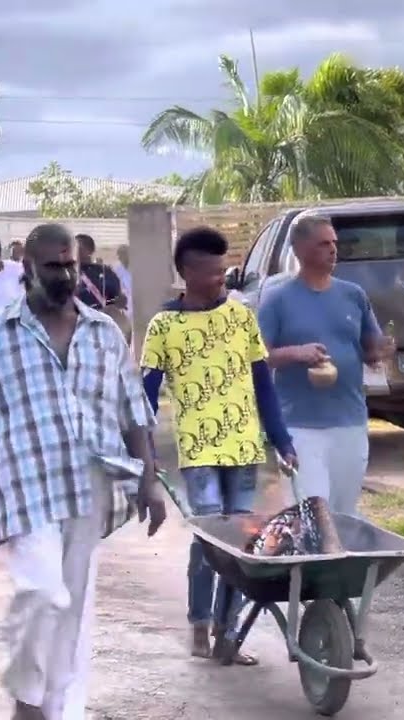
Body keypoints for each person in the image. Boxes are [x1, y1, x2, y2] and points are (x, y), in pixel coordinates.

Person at [0, 223, 166, 720]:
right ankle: (27, 699)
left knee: (75, 611)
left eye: (71, 265)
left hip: (91, 489)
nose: (65, 274)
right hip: (27, 489)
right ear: (27, 269)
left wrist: (149, 480)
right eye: (53, 266)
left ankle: (62, 710)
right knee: (42, 592)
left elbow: (133, 412)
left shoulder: (104, 333)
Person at [141, 226, 296, 665]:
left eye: (223, 270)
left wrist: (281, 439)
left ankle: (229, 634)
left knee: (240, 548)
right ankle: (199, 625)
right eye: (212, 272)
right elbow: (146, 397)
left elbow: (263, 383)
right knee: (211, 542)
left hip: (244, 449)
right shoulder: (164, 326)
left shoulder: (241, 316)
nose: (221, 280)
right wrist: (146, 453)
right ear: (188, 273)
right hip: (200, 453)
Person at [257, 213, 394, 516]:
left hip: (351, 421)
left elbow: (369, 347)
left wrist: (378, 351)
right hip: (298, 427)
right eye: (323, 244)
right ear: (300, 250)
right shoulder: (277, 299)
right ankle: (309, 565)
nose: (333, 249)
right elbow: (258, 357)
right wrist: (297, 353)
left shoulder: (353, 295)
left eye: (334, 243)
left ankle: (340, 563)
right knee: (312, 515)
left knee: (344, 514)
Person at [74, 233, 126, 311]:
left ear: (90, 250)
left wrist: (119, 301)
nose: (75, 252)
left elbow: (117, 298)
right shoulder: (68, 273)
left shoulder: (105, 272)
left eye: (78, 248)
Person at [114, 244, 134, 319]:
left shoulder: (135, 266)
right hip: (124, 299)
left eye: (123, 254)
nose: (120, 258)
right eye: (119, 255)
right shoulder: (117, 268)